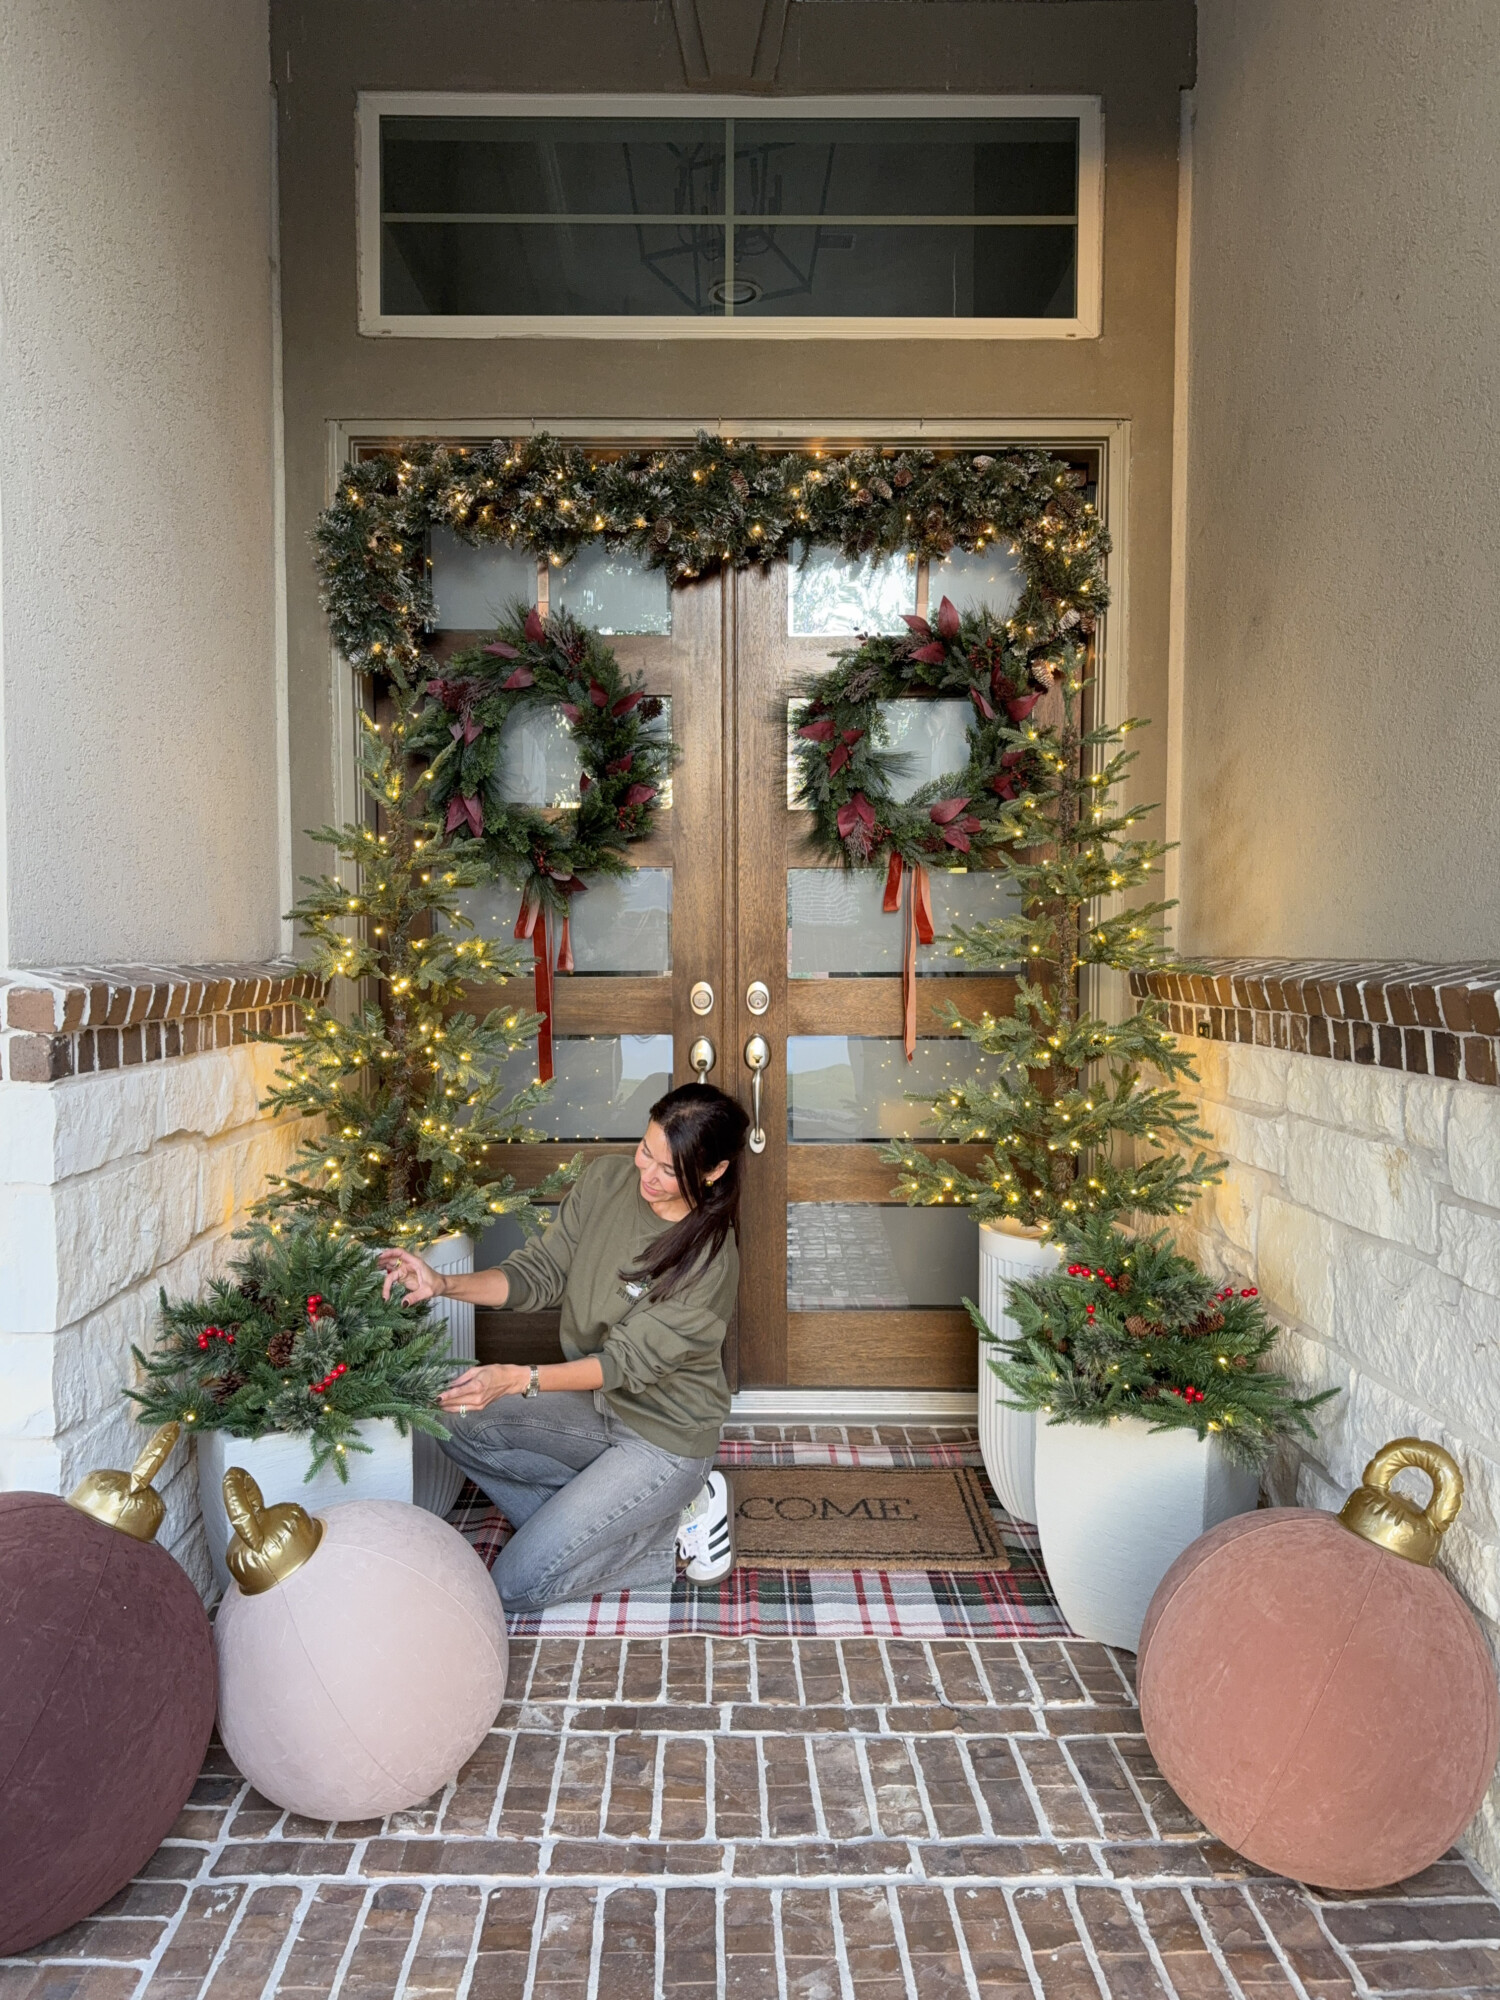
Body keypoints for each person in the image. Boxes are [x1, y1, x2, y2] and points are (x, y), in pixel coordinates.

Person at [376, 1082, 747, 1614]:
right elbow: (540, 1274)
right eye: (645, 1150)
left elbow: (622, 1364)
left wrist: (518, 1378)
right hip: (596, 1410)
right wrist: (442, 1284)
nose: (646, 1173)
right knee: (454, 1417)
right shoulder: (606, 1181)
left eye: (668, 1170)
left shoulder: (711, 1259)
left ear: (712, 1172)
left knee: (514, 1585)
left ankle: (674, 1530)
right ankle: (596, 1517)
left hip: (662, 1441)